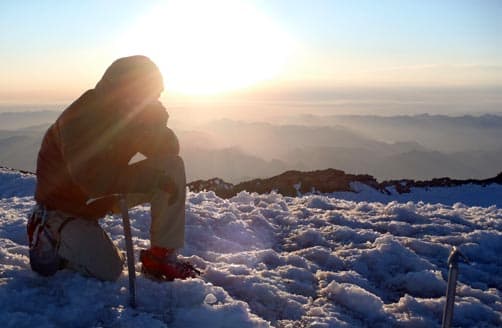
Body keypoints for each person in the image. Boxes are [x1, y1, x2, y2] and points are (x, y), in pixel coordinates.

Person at [27, 55, 198, 281]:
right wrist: (150, 179)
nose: (153, 100)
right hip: (64, 207)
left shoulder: (128, 116)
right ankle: (50, 238)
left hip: (97, 198)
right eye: (149, 95)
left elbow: (168, 152)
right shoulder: (81, 118)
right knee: (110, 270)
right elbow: (91, 180)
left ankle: (160, 257)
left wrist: (155, 126)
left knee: (171, 168)